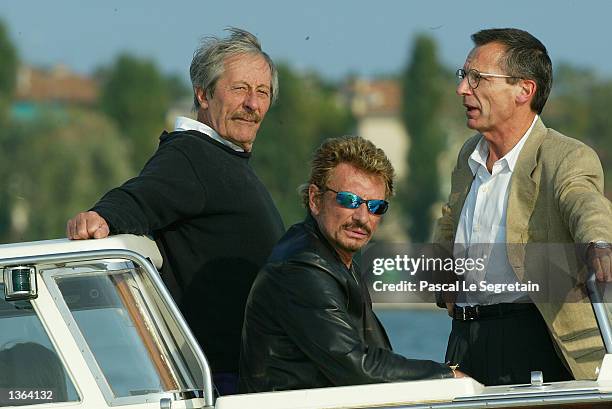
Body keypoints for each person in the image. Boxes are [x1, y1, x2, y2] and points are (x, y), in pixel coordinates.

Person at [66, 27, 285, 395]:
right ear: (203, 93)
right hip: (232, 382)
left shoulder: (224, 158)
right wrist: (100, 217)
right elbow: (139, 197)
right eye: (240, 89)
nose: (253, 104)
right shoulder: (190, 155)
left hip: (258, 374)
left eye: (262, 92)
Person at [434, 28, 612, 386]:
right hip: (464, 338)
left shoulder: (565, 156)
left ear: (523, 90)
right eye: (463, 76)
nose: (463, 89)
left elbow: (584, 202)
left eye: (478, 78)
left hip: (535, 336)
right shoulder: (468, 153)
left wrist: (599, 243)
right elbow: (451, 219)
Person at [240, 136, 465, 393]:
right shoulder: (302, 268)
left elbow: (373, 355)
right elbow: (358, 367)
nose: (362, 218)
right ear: (315, 199)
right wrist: (448, 376)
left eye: (375, 207)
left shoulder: (335, 260)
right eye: (349, 200)